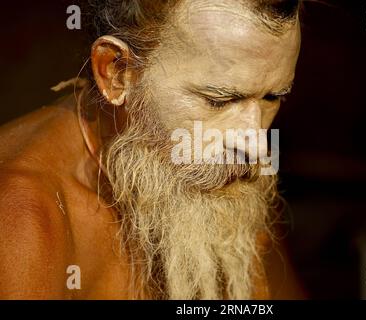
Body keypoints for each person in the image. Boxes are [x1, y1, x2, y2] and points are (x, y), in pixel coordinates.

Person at [0, 0, 303, 299]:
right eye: (218, 100)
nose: (256, 145)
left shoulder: (225, 179)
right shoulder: (21, 217)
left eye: (272, 97)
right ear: (116, 72)